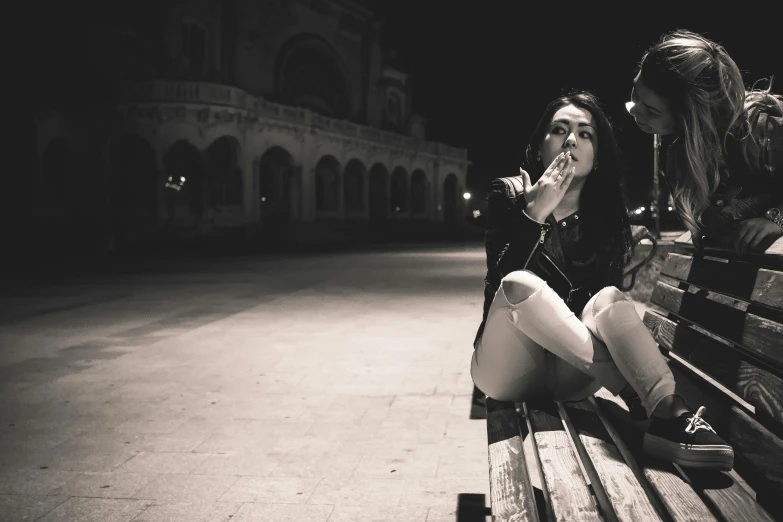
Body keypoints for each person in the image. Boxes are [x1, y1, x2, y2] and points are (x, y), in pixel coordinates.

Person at [471, 90, 734, 470]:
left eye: (585, 133)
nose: (572, 140)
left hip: (572, 369)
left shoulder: (605, 216)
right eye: (559, 130)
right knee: (518, 284)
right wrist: (534, 216)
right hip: (506, 369)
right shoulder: (508, 194)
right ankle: (646, 399)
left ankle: (668, 410)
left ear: (597, 156)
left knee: (609, 297)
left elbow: (595, 314)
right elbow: (499, 285)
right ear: (539, 147)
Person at [627, 30, 783, 253]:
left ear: (691, 117)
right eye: (635, 92)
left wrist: (776, 219)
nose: (634, 110)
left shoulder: (756, 131)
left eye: (651, 110)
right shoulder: (674, 150)